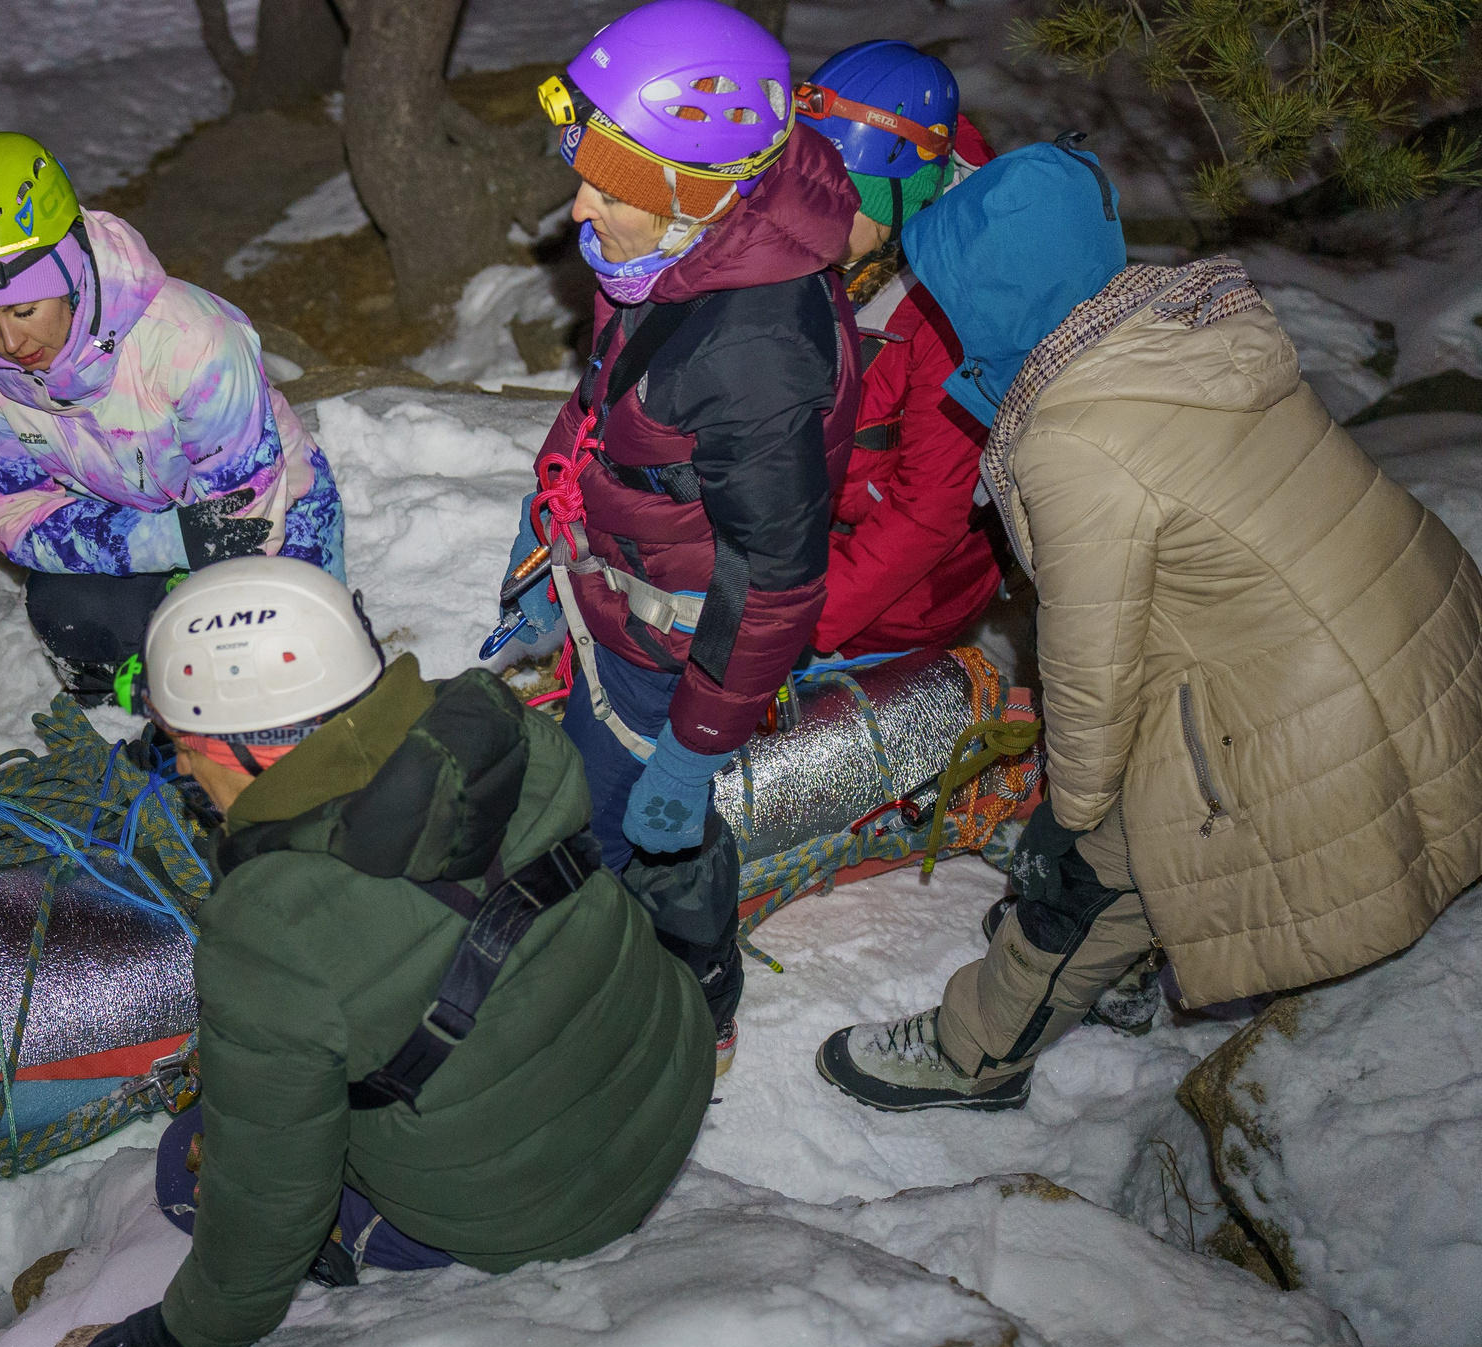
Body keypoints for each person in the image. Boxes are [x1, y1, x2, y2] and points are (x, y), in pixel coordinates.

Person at [818, 137, 1482, 1111]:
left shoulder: (1075, 435)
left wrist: (1071, 821)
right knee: (1125, 816)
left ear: (996, 295)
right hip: (1420, 623)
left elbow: (1089, 664)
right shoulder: (1179, 330)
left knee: (1088, 872)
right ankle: (1126, 949)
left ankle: (974, 1055)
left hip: (1310, 700)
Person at [54, 561, 713, 1347]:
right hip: (666, 1069)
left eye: (184, 750)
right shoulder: (490, 722)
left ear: (240, 747)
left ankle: (361, 1241)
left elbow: (270, 1194)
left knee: (193, 1165)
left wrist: (183, 1333)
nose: (187, 776)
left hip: (546, 1214)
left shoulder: (266, 928)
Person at [496, 0, 859, 1075]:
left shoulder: (752, 353)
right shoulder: (677, 259)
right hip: (622, 591)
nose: (577, 209)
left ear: (696, 194)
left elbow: (778, 579)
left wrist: (695, 749)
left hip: (678, 648)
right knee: (593, 793)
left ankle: (692, 998)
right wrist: (547, 519)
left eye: (608, 192)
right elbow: (615, 399)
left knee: (624, 828)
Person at [0, 132, 344, 703]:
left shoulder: (191, 342)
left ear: (70, 274)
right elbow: (14, 513)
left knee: (275, 680)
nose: (9, 341)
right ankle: (137, 697)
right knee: (65, 609)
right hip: (147, 525)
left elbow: (242, 519)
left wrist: (183, 579)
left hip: (273, 520)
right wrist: (163, 542)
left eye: (25, 310)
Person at [796, 41, 1004, 656]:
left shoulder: (950, 318)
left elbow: (930, 511)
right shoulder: (834, 247)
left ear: (903, 199)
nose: (815, 210)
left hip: (899, 591)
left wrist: (806, 625)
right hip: (799, 539)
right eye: (807, 185)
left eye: (845, 195)